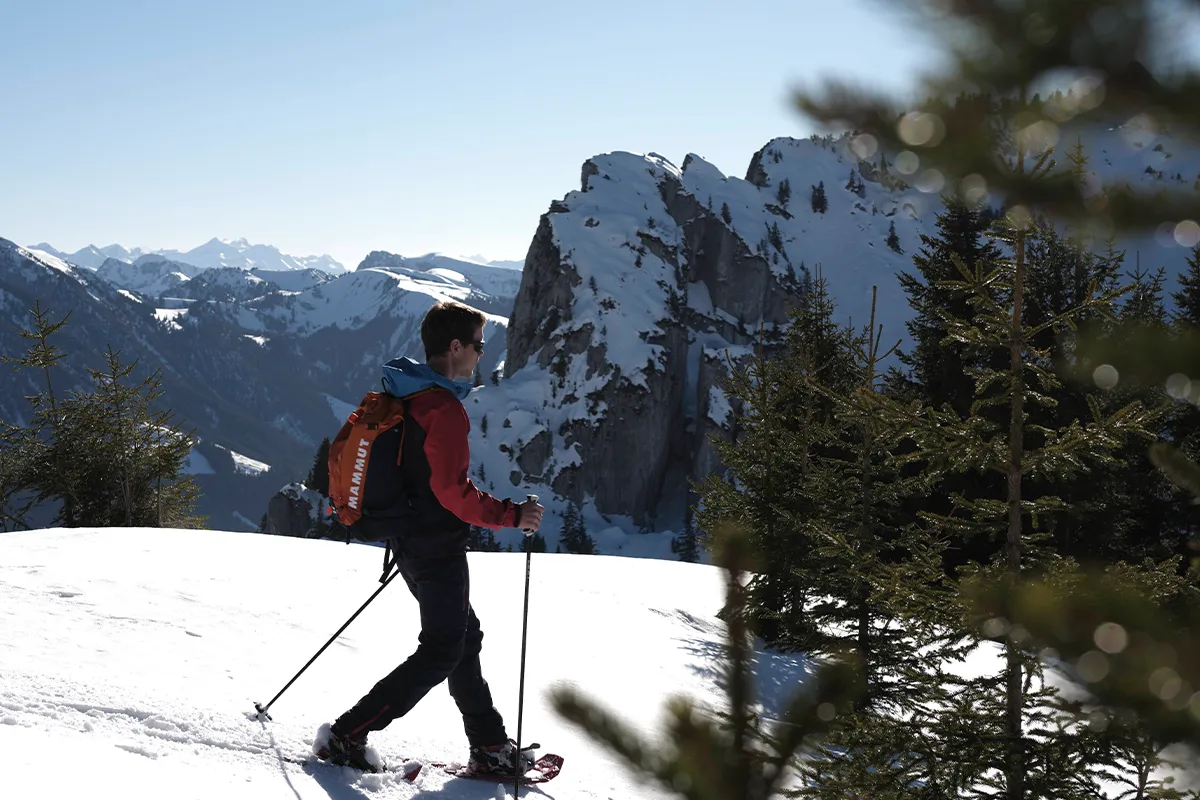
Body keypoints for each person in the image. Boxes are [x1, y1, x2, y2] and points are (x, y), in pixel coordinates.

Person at [314, 299, 545, 775]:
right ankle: (348, 733)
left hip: (411, 539)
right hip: (434, 544)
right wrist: (512, 515)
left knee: (462, 638)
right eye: (479, 346)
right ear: (455, 346)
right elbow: (452, 493)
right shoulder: (441, 408)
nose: (483, 355)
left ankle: (489, 743)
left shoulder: (411, 393)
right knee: (443, 648)